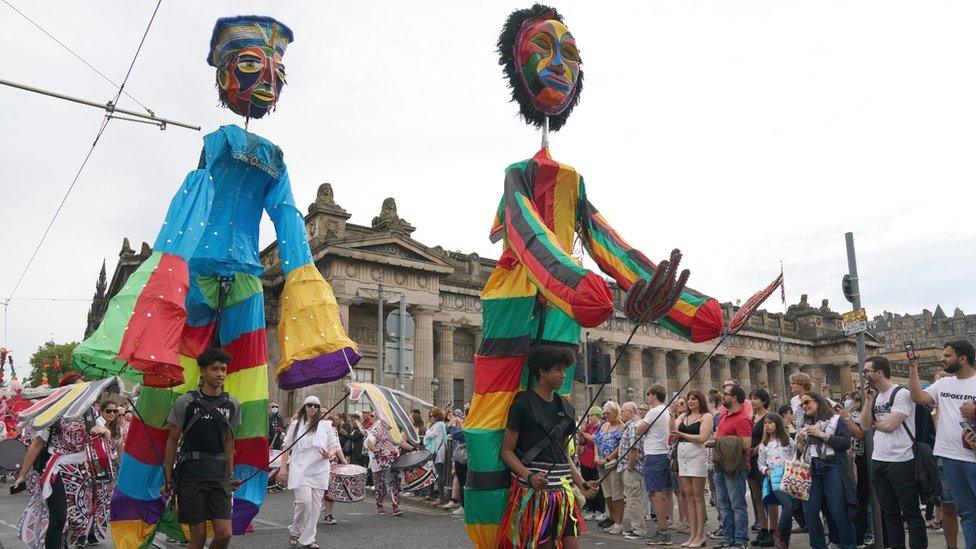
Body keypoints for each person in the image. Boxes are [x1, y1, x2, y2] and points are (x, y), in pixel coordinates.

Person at [497, 345, 598, 548]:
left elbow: (563, 454)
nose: (563, 375)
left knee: (572, 544)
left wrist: (581, 483)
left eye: (564, 369)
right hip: (533, 492)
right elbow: (506, 451)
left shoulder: (566, 407)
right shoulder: (522, 404)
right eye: (558, 369)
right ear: (542, 371)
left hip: (562, 490)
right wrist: (530, 476)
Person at [161, 348, 241, 549]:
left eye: (223, 369)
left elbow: (229, 441)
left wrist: (230, 474)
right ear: (203, 371)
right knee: (198, 535)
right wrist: (168, 478)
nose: (220, 374)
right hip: (190, 475)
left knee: (224, 534)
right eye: (215, 369)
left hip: (219, 475)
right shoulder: (185, 402)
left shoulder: (232, 403)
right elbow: (172, 441)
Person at [14, 372, 97, 549]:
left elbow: (103, 429)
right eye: (79, 387)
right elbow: (36, 446)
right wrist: (21, 475)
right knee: (59, 517)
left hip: (82, 471)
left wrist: (104, 432)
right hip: (57, 469)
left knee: (79, 520)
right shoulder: (53, 411)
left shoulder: (88, 409)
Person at [910, 340, 976, 549]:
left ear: (963, 358)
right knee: (965, 513)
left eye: (947, 356)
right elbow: (918, 397)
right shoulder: (943, 384)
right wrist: (913, 369)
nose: (942, 359)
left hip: (973, 458)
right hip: (949, 457)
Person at [860, 355, 926, 549]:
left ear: (879, 373)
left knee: (910, 512)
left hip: (902, 459)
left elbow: (891, 425)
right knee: (889, 512)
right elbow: (864, 425)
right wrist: (868, 400)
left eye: (867, 371)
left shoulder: (901, 394)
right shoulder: (876, 396)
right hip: (879, 459)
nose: (864, 375)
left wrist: (874, 423)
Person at [278, 395, 342, 548]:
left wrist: (330, 454)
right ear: (305, 407)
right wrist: (282, 468)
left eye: (316, 406)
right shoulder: (295, 425)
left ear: (319, 409)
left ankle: (309, 538)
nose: (313, 408)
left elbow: (334, 446)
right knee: (304, 503)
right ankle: (296, 528)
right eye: (310, 405)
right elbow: (286, 447)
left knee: (315, 507)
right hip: (300, 469)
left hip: (320, 470)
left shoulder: (326, 426)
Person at [796, 391, 857, 549]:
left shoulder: (837, 420)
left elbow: (845, 443)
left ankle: (848, 545)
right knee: (809, 512)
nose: (804, 406)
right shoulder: (804, 424)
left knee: (838, 511)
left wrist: (821, 434)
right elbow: (802, 452)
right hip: (810, 469)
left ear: (818, 402)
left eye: (807, 402)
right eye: (802, 404)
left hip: (832, 467)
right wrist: (800, 445)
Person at [712, 384, 752, 549]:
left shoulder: (742, 418)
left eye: (726, 394)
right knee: (723, 505)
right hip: (720, 465)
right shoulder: (724, 416)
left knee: (737, 505)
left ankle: (741, 539)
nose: (723, 397)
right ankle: (728, 539)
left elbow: (746, 444)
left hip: (736, 466)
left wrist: (718, 442)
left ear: (734, 397)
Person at [673, 389, 713, 548]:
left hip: (697, 456)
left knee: (697, 496)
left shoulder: (706, 416)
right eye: (689, 399)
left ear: (700, 401)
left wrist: (683, 434)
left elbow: (703, 438)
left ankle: (700, 535)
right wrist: (672, 413)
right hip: (683, 456)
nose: (690, 402)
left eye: (694, 399)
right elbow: (672, 431)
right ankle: (692, 534)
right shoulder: (684, 416)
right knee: (687, 495)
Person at [636, 383, 674, 546]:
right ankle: (663, 529)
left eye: (648, 394)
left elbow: (639, 430)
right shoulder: (665, 410)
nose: (647, 397)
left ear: (653, 395)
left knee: (655, 494)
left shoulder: (654, 411)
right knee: (659, 493)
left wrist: (640, 422)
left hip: (654, 455)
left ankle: (664, 532)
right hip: (662, 454)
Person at [758, 412, 795, 549]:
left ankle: (785, 540)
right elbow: (760, 463)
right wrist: (766, 471)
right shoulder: (764, 445)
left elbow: (794, 456)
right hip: (774, 477)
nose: (767, 425)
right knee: (789, 505)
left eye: (770, 423)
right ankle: (778, 531)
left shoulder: (788, 441)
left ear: (778, 424)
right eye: (765, 423)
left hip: (788, 476)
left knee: (788, 507)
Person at [90, 398, 123, 544]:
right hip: (94, 466)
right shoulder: (95, 425)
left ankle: (94, 532)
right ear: (101, 411)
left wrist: (123, 467)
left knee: (104, 501)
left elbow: (120, 450)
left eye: (115, 411)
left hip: (110, 469)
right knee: (91, 499)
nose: (112, 413)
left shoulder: (118, 429)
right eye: (108, 411)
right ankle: (84, 530)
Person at [365, 418, 412, 516]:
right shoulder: (377, 429)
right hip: (377, 461)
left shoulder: (394, 431)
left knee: (392, 482)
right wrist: (378, 452)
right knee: (379, 485)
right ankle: (380, 506)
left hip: (390, 461)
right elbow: (369, 443)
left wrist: (414, 447)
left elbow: (400, 442)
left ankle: (395, 507)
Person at [594, 400, 626, 534]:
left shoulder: (622, 427)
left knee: (616, 495)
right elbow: (596, 441)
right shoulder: (603, 425)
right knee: (607, 494)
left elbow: (620, 447)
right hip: (600, 464)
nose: (605, 415)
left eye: (608, 413)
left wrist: (607, 458)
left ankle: (619, 523)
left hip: (613, 464)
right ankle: (612, 519)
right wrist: (596, 456)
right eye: (604, 413)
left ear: (616, 412)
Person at [617, 401, 646, 540]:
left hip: (632, 469)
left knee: (634, 499)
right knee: (632, 498)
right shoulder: (631, 425)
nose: (621, 413)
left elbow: (633, 449)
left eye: (622, 411)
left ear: (630, 412)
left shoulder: (634, 426)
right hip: (630, 467)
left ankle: (639, 529)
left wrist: (630, 467)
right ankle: (636, 527)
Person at [748, 388, 774, 547]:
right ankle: (763, 529)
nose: (752, 401)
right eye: (751, 398)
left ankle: (773, 531)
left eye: (756, 398)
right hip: (751, 460)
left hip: (762, 460)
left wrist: (752, 452)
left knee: (768, 497)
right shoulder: (752, 418)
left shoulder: (768, 417)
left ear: (764, 401)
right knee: (757, 497)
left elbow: (765, 440)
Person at [578, 405, 606, 520]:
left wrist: (589, 437)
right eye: (589, 415)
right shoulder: (586, 427)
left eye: (592, 415)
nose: (590, 417)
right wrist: (581, 436)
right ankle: (591, 508)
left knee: (597, 485)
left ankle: (600, 509)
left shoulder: (602, 426)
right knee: (587, 483)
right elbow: (582, 443)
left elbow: (597, 440)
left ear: (598, 416)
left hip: (596, 458)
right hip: (585, 458)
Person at [424, 407, 448, 503]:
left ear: (436, 417)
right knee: (431, 472)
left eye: (431, 416)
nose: (429, 418)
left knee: (438, 473)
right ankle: (431, 494)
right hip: (432, 450)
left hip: (437, 451)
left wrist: (427, 430)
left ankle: (441, 497)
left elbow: (431, 435)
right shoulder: (435, 425)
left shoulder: (439, 425)